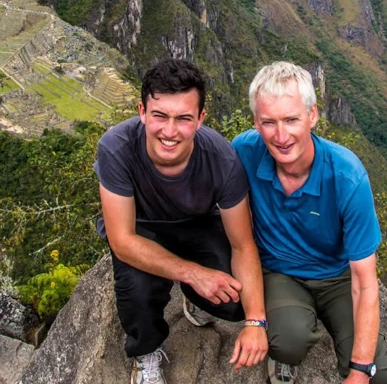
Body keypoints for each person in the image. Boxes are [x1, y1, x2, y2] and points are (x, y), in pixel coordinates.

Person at [231, 62, 387, 384]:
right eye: (269, 122)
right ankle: (286, 352)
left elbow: (365, 282)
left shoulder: (346, 176)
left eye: (291, 120)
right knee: (288, 342)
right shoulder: (243, 152)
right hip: (279, 272)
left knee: (383, 378)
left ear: (312, 116)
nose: (281, 135)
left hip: (337, 276)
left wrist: (359, 371)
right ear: (256, 123)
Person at [94, 58, 268, 384]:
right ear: (142, 112)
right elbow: (122, 240)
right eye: (159, 116)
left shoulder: (222, 160)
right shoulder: (116, 148)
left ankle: (193, 299)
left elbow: (242, 244)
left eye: (184, 118)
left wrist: (256, 322)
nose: (170, 131)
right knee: (136, 287)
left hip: (197, 224)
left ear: (201, 119)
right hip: (141, 228)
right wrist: (193, 273)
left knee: (236, 299)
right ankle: (145, 353)